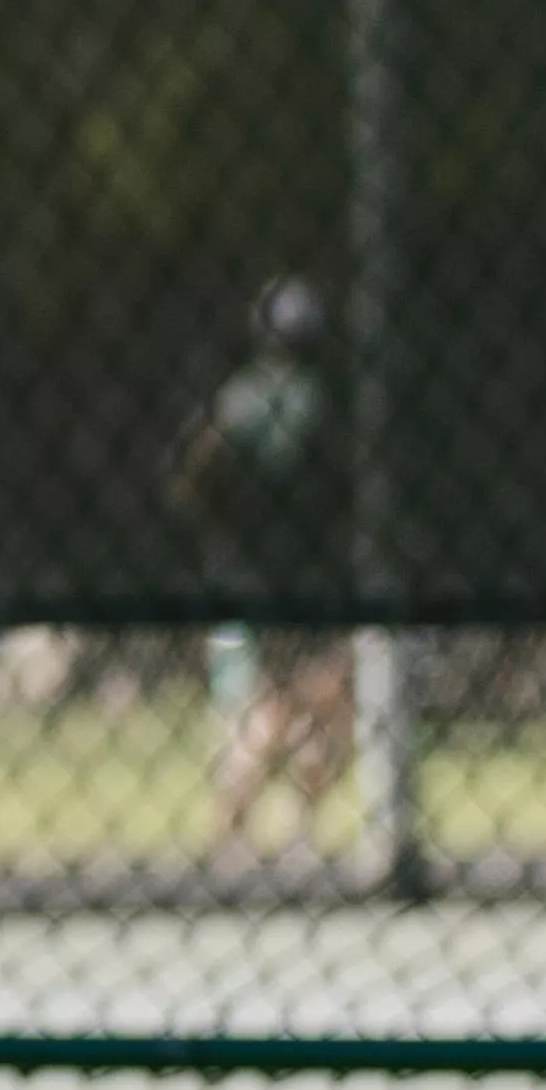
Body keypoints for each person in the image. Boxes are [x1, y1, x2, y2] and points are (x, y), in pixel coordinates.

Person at [172, 277, 351, 851]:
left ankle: (233, 831)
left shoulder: (236, 401)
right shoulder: (326, 407)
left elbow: (192, 481)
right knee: (319, 710)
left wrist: (225, 534)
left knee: (263, 708)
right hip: (312, 585)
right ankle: (290, 828)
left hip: (243, 580)